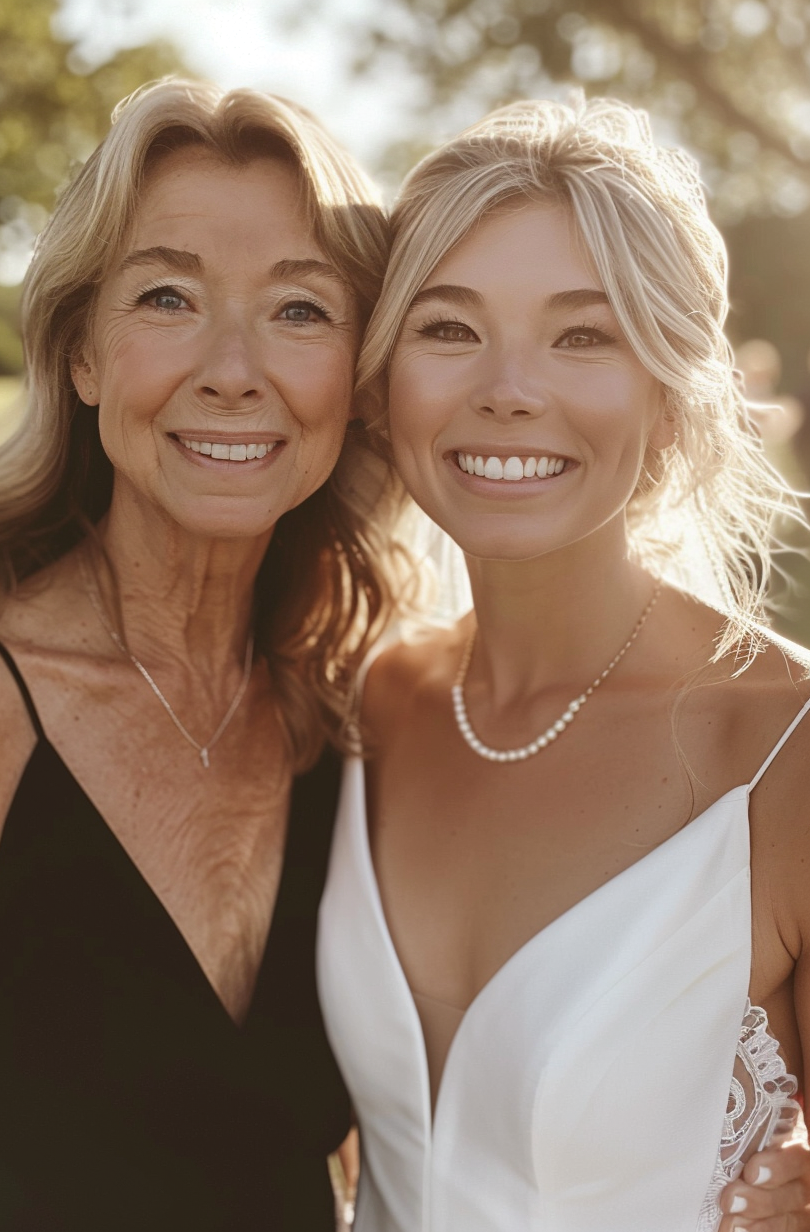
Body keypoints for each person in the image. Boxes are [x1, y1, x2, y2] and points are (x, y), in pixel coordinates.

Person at [0, 77, 404, 1231]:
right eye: (167, 297)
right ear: (80, 356)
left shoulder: (363, 717)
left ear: (357, 377)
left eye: (301, 309)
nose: (232, 367)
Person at [317, 96, 810, 1230]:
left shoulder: (782, 745)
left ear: (672, 395)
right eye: (448, 328)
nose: (508, 387)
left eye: (583, 334)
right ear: (381, 387)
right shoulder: (372, 701)